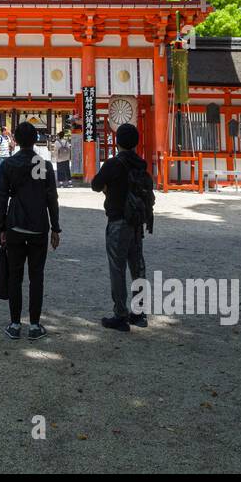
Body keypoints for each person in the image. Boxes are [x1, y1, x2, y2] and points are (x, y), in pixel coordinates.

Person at [0, 121, 61, 340]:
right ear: (35, 140)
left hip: (15, 224)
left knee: (15, 276)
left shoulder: (8, 164)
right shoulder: (43, 165)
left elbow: (2, 197)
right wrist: (55, 228)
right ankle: (34, 324)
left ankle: (15, 323)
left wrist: (1, 226)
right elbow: (51, 198)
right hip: (38, 226)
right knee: (36, 277)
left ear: (15, 140)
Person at [91, 123, 151, 333]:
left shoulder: (113, 164)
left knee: (117, 269)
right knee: (137, 266)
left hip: (118, 221)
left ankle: (120, 314)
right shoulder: (141, 165)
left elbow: (95, 184)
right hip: (136, 223)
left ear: (117, 142)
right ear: (136, 142)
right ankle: (139, 312)